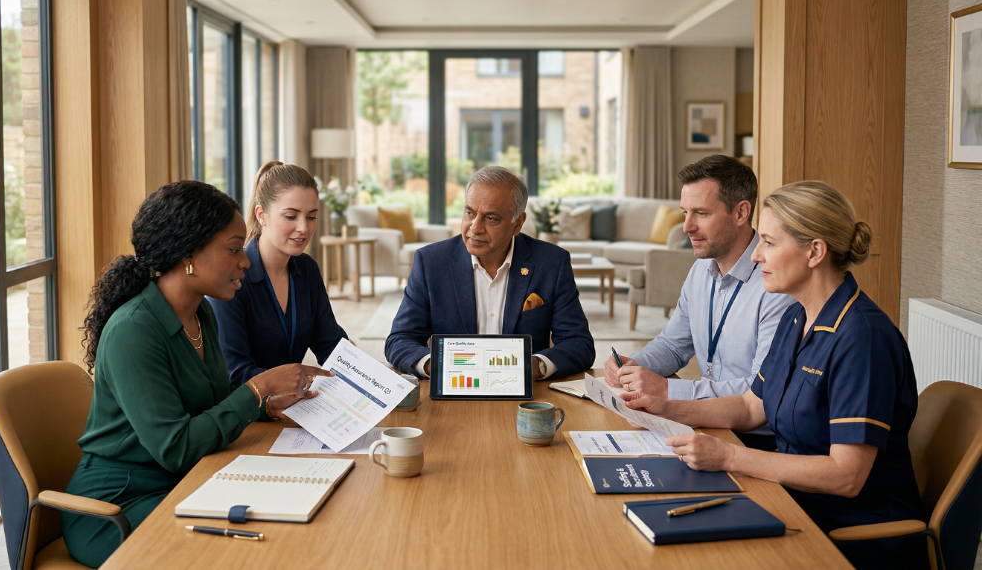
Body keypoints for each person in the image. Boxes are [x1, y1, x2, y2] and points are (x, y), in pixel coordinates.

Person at [621, 181, 927, 570]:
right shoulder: (797, 316)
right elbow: (752, 406)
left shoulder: (863, 338)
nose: (755, 255)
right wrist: (665, 409)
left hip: (850, 533)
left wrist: (729, 455)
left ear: (814, 251)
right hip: (793, 500)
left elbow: (846, 476)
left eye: (768, 242)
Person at [62, 181, 330, 568]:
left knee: (294, 519)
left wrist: (266, 406)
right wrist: (257, 389)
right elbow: (176, 448)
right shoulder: (133, 329)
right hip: (118, 507)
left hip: (189, 481)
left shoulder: (200, 313)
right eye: (233, 249)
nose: (245, 262)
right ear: (188, 254)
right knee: (252, 552)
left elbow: (210, 408)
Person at [602, 155, 792, 450]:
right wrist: (635, 365)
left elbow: (758, 392)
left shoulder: (777, 285)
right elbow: (672, 345)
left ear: (741, 212)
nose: (686, 227)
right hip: (703, 422)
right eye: (685, 212)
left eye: (701, 213)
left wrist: (668, 389)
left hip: (754, 439)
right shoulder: (701, 269)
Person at [385, 166, 595, 380]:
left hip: (526, 391)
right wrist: (437, 366)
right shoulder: (431, 262)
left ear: (518, 223)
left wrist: (535, 366)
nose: (475, 228)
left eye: (491, 218)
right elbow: (399, 340)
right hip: (454, 387)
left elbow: (579, 344)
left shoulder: (551, 263)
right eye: (470, 213)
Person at [209, 161, 348, 389]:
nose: (304, 228)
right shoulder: (231, 276)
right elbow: (235, 373)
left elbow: (330, 344)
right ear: (261, 215)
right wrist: (298, 382)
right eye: (291, 216)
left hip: (294, 401)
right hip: (248, 405)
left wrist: (360, 370)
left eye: (311, 217)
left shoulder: (307, 268)